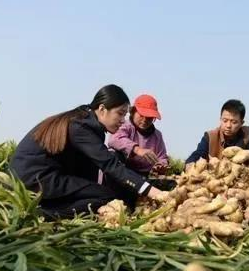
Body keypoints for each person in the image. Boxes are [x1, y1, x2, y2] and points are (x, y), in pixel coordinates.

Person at [9, 84, 166, 219]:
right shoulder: (81, 127)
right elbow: (110, 165)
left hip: (44, 174)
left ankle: (50, 206)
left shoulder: (86, 121)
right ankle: (41, 213)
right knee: (105, 196)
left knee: (101, 192)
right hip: (34, 177)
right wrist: (156, 193)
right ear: (102, 109)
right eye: (120, 113)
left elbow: (89, 169)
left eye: (124, 115)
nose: (122, 120)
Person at [108, 94, 169, 177]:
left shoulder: (157, 135)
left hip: (145, 176)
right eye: (141, 115)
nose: (144, 120)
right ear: (133, 112)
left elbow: (162, 157)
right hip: (122, 172)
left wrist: (160, 166)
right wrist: (137, 149)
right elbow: (114, 140)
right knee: (113, 154)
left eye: (149, 118)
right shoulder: (125, 126)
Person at [185, 99, 249, 165]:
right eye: (225, 121)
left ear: (241, 123)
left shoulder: (248, 133)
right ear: (220, 119)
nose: (228, 125)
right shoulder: (210, 136)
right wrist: (190, 165)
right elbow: (198, 154)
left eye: (234, 122)